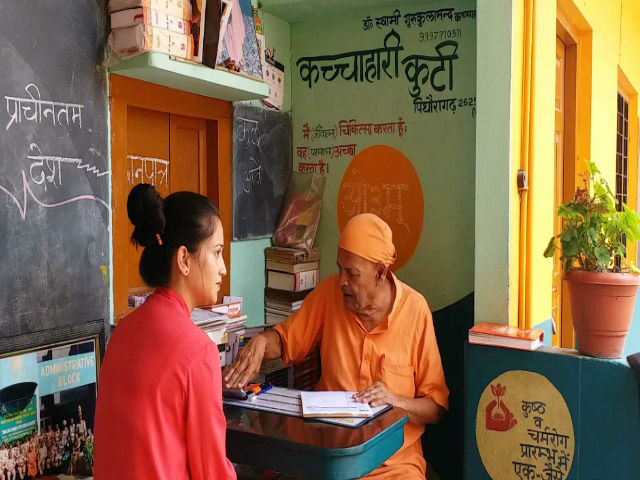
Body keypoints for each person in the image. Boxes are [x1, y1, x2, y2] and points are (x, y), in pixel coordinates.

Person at [225, 213, 449, 479]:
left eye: (352, 273)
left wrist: (396, 401)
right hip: (330, 460)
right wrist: (262, 342)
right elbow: (286, 341)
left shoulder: (415, 311)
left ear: (380, 272)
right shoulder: (330, 294)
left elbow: (434, 408)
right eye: (339, 268)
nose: (342, 280)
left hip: (394, 465)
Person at [94, 184, 236, 480]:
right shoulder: (198, 352)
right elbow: (211, 471)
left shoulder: (122, 333)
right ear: (184, 259)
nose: (223, 268)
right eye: (217, 253)